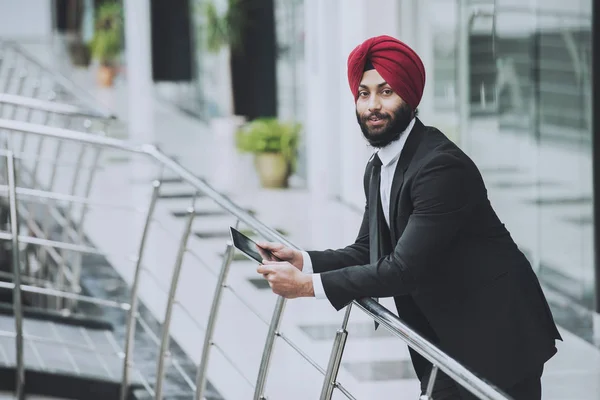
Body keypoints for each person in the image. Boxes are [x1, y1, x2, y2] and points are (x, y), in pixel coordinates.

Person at [255, 35, 561, 399]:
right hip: (446, 337)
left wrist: (307, 288)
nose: (373, 105)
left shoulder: (439, 167)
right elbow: (369, 249)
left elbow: (402, 269)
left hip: (498, 335)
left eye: (386, 92)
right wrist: (304, 262)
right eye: (364, 93)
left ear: (410, 98)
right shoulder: (380, 165)